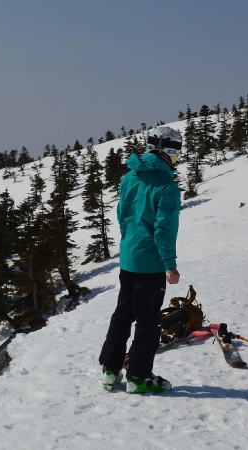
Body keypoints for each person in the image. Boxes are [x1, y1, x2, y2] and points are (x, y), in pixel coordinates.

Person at [99, 127, 182, 394]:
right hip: (151, 264)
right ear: (172, 151)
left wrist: (128, 244)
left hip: (129, 257)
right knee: (148, 320)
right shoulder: (167, 186)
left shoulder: (130, 177)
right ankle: (138, 377)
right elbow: (163, 229)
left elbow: (123, 214)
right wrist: (170, 264)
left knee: (123, 313)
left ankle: (110, 372)